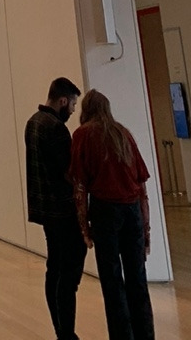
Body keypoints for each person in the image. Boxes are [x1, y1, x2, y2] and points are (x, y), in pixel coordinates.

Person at [69, 90, 155, 340]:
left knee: (112, 280)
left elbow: (80, 186)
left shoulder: (83, 135)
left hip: (105, 211)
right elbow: (141, 185)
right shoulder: (123, 133)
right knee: (137, 278)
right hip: (132, 211)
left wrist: (84, 227)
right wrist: (146, 229)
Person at [25, 78, 85, 340]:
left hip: (46, 209)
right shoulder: (56, 128)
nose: (73, 110)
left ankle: (60, 330)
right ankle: (66, 331)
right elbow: (69, 172)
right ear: (63, 101)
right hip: (63, 210)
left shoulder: (33, 122)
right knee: (68, 274)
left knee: (54, 268)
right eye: (72, 104)